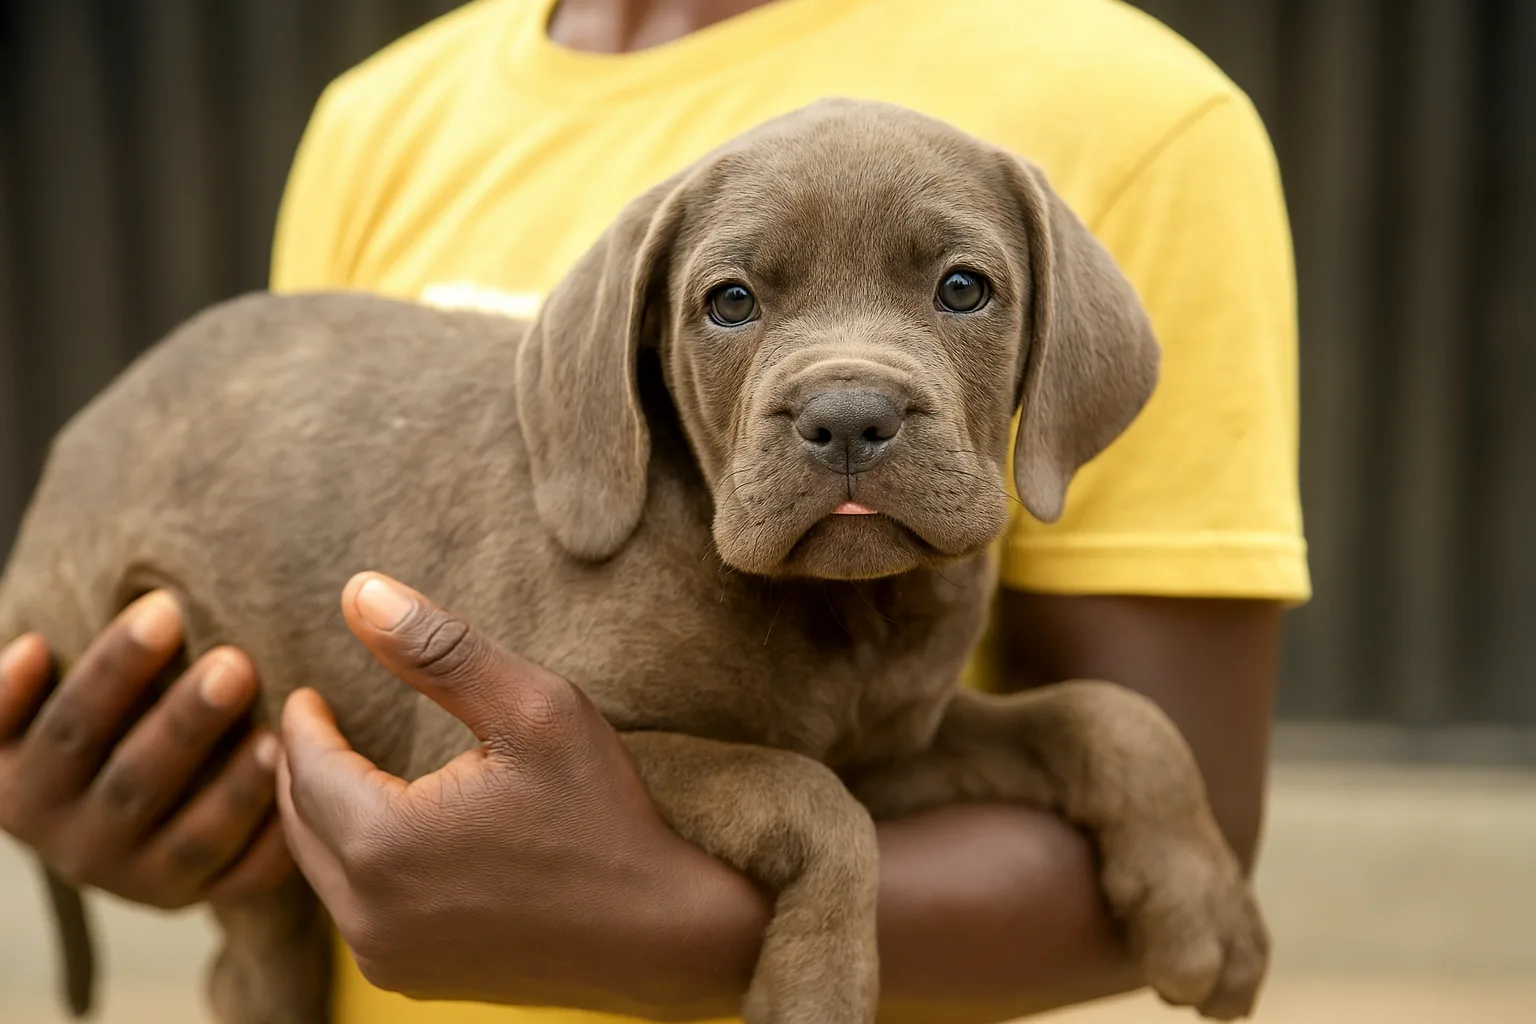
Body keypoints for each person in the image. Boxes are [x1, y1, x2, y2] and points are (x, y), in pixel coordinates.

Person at [0, 1, 1309, 1022]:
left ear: (1051, 344)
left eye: (959, 291)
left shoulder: (1136, 113)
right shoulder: (379, 118)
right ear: (628, 354)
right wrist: (149, 818)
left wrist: (1079, 754)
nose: (848, 401)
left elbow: (928, 771)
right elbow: (405, 753)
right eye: (734, 304)